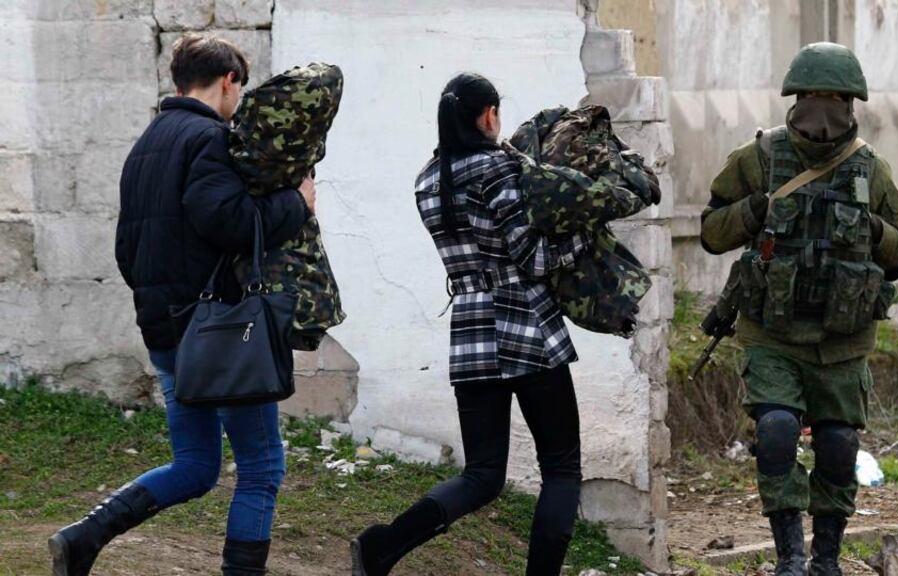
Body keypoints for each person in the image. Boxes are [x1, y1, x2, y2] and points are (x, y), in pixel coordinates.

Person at [48, 34, 315, 576]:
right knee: (262, 466)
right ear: (228, 81)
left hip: (166, 332)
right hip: (220, 337)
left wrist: (162, 305)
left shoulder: (145, 145)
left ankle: (82, 538)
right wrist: (296, 203)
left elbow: (126, 249)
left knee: (195, 465)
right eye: (240, 89)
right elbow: (230, 222)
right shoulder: (209, 139)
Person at [349, 73, 592, 576]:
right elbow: (534, 258)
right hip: (526, 326)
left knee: (482, 475)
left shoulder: (428, 180)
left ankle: (383, 547)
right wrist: (582, 239)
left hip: (471, 330)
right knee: (561, 469)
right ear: (488, 115)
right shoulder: (498, 168)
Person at [700, 43, 898, 576]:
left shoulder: (871, 169)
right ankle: (790, 557)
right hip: (772, 334)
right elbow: (711, 232)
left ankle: (826, 560)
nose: (822, 108)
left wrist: (873, 229)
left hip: (843, 341)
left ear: (850, 103)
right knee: (775, 430)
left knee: (838, 444)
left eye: (833, 98)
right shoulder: (759, 158)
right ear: (794, 99)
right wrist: (754, 210)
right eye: (812, 95)